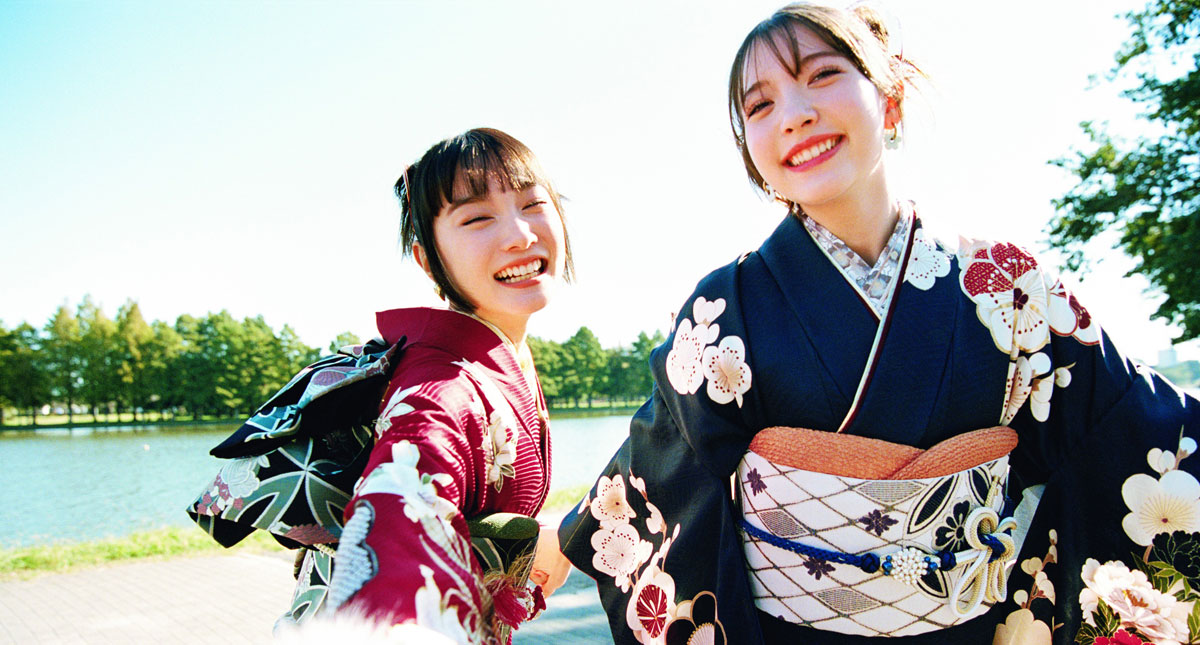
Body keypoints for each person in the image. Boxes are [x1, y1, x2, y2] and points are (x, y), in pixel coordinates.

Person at [557, 4, 1200, 644]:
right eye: (760, 105)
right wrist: (555, 542)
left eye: (822, 75)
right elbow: (660, 479)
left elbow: (1125, 425)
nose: (793, 115)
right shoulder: (724, 309)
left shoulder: (1008, 285)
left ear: (890, 100)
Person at [286, 128, 573, 643]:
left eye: (533, 205)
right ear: (427, 259)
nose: (520, 234)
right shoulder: (440, 388)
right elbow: (400, 516)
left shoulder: (498, 357)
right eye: (478, 218)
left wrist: (541, 541)